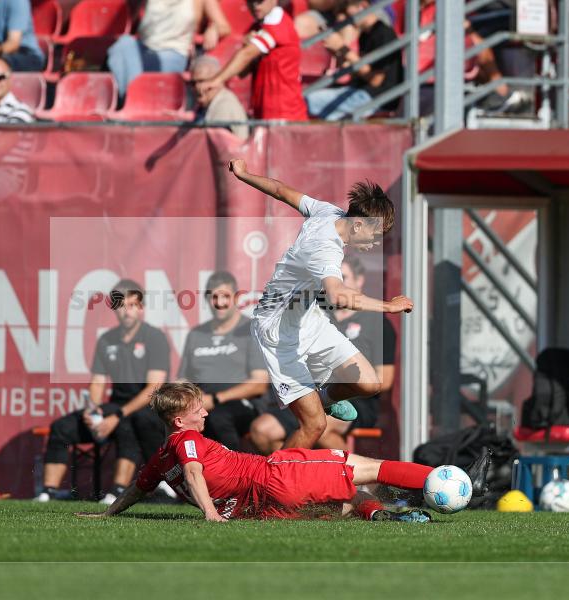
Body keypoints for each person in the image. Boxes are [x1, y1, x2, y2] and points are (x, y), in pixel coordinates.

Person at [80, 383, 490, 521]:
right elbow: (193, 472)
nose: (205, 411)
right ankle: (454, 482)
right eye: (196, 408)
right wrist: (206, 513)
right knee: (372, 467)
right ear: (178, 421)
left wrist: (106, 513)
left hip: (260, 506)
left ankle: (390, 517)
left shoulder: (159, 456)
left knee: (343, 503)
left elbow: (137, 487)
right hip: (276, 473)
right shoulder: (186, 443)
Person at [228, 157, 413, 451]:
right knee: (315, 426)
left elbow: (281, 191)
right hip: (277, 333)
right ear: (359, 224)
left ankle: (325, 397)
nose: (377, 243)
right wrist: (389, 307)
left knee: (368, 383)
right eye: (375, 235)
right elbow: (338, 295)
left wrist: (244, 174)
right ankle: (272, 487)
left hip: (307, 319)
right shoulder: (325, 250)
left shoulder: (329, 212)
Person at [36, 280, 171, 504]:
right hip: (114, 407)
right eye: (120, 305)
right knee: (61, 428)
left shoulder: (154, 337)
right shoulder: (106, 339)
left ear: (140, 307)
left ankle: (117, 491)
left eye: (131, 305)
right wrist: (93, 412)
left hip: (148, 410)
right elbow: (97, 383)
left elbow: (154, 388)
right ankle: (47, 493)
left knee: (128, 423)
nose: (126, 311)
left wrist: (116, 417)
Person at [250, 256, 396, 453]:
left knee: (320, 427)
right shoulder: (315, 315)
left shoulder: (377, 322)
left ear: (360, 280)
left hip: (355, 399)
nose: (335, 286)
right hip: (311, 392)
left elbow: (384, 380)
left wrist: (339, 380)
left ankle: (352, 481)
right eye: (331, 281)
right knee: (262, 430)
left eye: (342, 278)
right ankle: (296, 478)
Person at [177, 271, 268, 450]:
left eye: (225, 296)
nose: (219, 303)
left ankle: (233, 474)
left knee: (218, 416)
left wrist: (216, 399)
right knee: (157, 418)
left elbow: (259, 384)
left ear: (235, 297)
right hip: (202, 404)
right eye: (213, 297)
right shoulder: (196, 334)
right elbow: (183, 380)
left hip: (242, 404)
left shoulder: (249, 330)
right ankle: (168, 476)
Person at [197, 0, 308, 121]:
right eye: (250, 1)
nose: (255, 5)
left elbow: (246, 55)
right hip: (264, 113)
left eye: (260, 0)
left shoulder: (277, 21)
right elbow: (242, 72)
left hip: (285, 114)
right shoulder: (258, 26)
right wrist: (246, 45)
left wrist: (217, 80)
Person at [107, 0, 230, 104]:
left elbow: (224, 26)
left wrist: (213, 28)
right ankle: (132, 100)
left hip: (173, 51)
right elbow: (131, 20)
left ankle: (142, 102)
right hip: (144, 47)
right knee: (122, 45)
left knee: (160, 67)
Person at [305, 0, 403, 121]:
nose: (345, 19)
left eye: (348, 13)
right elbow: (360, 73)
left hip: (376, 99)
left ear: (363, 6)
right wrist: (337, 52)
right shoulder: (365, 35)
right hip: (361, 92)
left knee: (307, 100)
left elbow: (376, 80)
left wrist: (343, 48)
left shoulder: (383, 33)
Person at [189, 55, 249, 139]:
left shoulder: (224, 105)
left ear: (217, 80)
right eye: (193, 83)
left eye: (202, 81)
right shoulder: (205, 105)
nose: (197, 87)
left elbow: (215, 146)